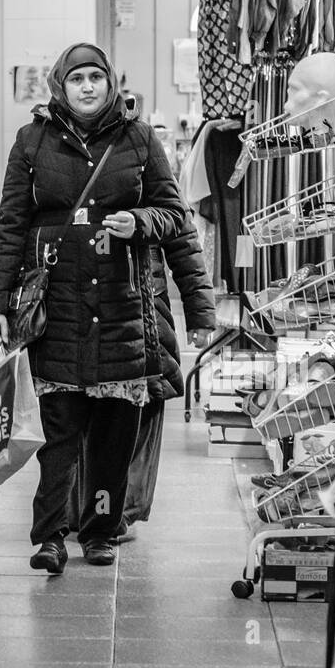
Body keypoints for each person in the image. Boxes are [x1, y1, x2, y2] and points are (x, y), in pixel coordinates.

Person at [0, 42, 187, 574]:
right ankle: (49, 537)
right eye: (78, 79)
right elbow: (11, 226)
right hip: (58, 308)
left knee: (114, 437)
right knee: (58, 435)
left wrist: (139, 222)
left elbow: (173, 216)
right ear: (61, 86)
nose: (88, 87)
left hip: (123, 307)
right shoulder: (33, 140)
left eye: (97, 77)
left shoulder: (139, 138)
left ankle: (100, 532)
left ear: (111, 83)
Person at [68, 208, 215, 543]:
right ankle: (84, 508)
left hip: (142, 305)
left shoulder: (142, 159)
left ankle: (118, 510)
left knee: (140, 408)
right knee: (78, 410)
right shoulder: (61, 158)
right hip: (77, 301)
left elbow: (180, 237)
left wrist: (200, 312)